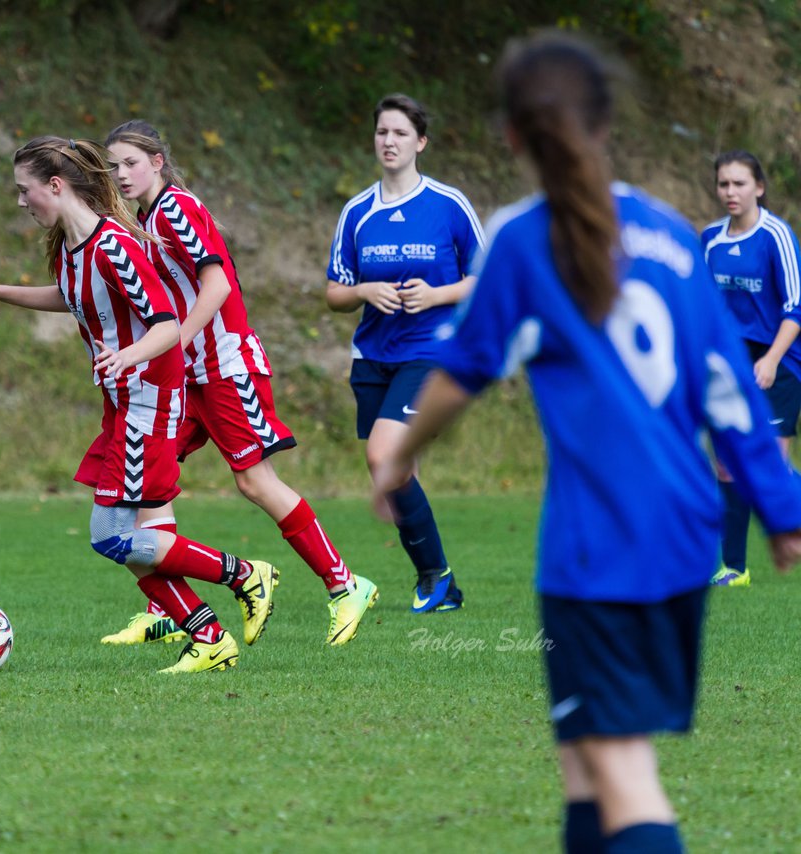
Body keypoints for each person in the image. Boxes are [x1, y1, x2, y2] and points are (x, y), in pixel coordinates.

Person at [372, 32, 801, 854]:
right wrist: (782, 507)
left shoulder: (523, 238)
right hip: (684, 534)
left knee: (622, 770)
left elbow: (462, 370)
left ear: (509, 135)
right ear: (607, 124)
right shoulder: (677, 238)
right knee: (583, 765)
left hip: (597, 544)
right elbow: (732, 393)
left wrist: (395, 457)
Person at [0, 136, 279, 674]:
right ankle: (211, 633)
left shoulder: (114, 245)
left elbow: (168, 325)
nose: (21, 202)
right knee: (117, 538)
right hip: (123, 405)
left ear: (55, 187)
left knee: (115, 536)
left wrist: (127, 357)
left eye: (23, 191)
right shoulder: (73, 250)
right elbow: (74, 297)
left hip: (151, 400)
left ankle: (241, 579)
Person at [100, 119, 379, 647]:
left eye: (130, 163)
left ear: (157, 161)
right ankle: (168, 609)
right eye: (114, 166)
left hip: (225, 369)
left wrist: (176, 340)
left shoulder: (177, 207)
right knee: (149, 485)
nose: (121, 174)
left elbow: (218, 281)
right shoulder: (143, 218)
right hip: (188, 378)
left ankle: (346, 584)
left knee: (254, 481)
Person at [324, 93, 485, 613]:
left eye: (399, 133)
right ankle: (440, 584)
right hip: (373, 356)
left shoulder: (448, 205)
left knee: (384, 457)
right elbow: (334, 292)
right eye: (381, 132)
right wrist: (365, 292)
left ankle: (437, 578)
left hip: (430, 353)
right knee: (395, 472)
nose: (388, 141)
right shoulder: (357, 212)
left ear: (420, 142)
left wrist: (437, 295)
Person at [701, 150, 801, 588]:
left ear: (759, 187)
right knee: (726, 462)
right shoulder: (709, 239)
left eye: (739, 183)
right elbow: (704, 308)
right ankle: (735, 568)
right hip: (731, 362)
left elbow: (796, 309)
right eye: (724, 184)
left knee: (771, 468)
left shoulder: (776, 236)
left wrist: (772, 359)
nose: (730, 192)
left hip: (781, 357)